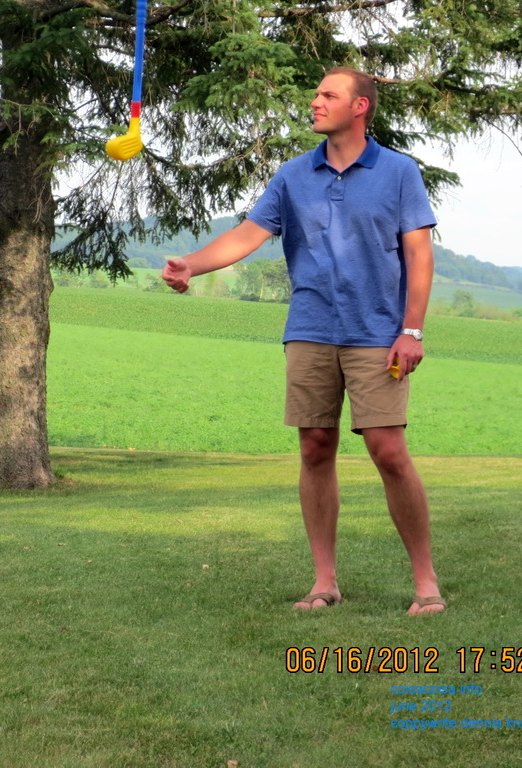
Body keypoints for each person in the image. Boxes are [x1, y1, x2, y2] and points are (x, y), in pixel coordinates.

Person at [163, 67, 445, 616]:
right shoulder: (293, 176)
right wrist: (191, 265)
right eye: (317, 94)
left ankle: (426, 581)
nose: (314, 102)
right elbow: (249, 234)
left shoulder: (398, 172)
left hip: (377, 334)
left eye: (328, 95)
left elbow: (419, 255)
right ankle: (324, 582)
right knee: (315, 447)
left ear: (360, 106)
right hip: (310, 330)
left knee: (388, 452)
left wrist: (411, 330)